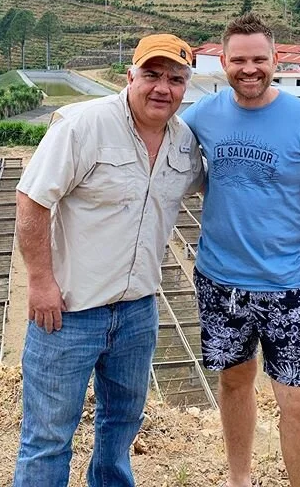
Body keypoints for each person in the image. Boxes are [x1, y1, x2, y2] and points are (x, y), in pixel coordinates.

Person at [12, 33, 204, 487]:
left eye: (175, 79)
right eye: (152, 75)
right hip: (69, 314)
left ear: (186, 86)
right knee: (48, 438)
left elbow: (218, 189)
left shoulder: (184, 143)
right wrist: (40, 282)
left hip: (138, 313)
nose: (163, 87)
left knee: (120, 430)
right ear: (130, 75)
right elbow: (32, 200)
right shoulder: (85, 125)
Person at [181, 13, 300, 487]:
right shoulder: (202, 116)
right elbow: (156, 138)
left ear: (275, 60)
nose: (248, 69)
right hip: (219, 283)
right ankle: (239, 478)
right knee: (234, 382)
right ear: (223, 62)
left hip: (288, 287)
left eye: (258, 59)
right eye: (238, 60)